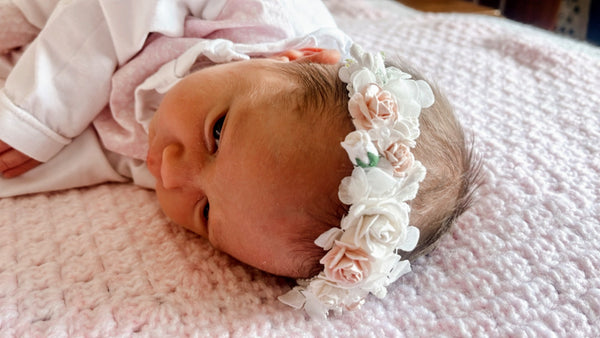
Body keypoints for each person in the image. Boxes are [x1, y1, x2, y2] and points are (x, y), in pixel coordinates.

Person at [0, 0, 479, 318]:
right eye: (218, 131)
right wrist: (33, 117)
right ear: (299, 57)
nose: (168, 171)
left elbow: (101, 154)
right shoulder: (258, 13)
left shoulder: (210, 171)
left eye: (206, 212)